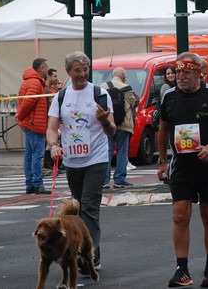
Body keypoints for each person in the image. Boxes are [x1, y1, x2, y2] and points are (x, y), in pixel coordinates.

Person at [156, 52, 208, 288]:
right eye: (178, 72)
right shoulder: (169, 97)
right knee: (180, 215)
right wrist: (162, 161)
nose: (181, 77)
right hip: (182, 166)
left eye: (186, 72)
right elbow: (163, 129)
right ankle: (182, 270)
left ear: (199, 72)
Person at [47, 51, 116, 271]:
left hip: (96, 159)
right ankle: (89, 250)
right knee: (76, 210)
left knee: (89, 207)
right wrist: (54, 145)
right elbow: (50, 128)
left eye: (85, 69)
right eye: (77, 70)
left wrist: (105, 121)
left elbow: (112, 130)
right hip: (73, 162)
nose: (82, 74)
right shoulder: (61, 96)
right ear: (68, 71)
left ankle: (89, 256)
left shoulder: (100, 94)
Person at [16, 58, 51, 195]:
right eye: (46, 67)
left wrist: (21, 116)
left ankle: (30, 183)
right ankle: (37, 183)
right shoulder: (36, 83)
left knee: (30, 155)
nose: (48, 69)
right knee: (37, 154)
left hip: (31, 123)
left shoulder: (30, 81)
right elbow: (28, 102)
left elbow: (26, 102)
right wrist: (21, 116)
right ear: (41, 68)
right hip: (34, 123)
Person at [101, 67, 139, 189]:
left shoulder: (102, 87)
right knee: (122, 151)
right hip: (124, 124)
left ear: (113, 75)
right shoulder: (127, 88)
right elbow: (134, 104)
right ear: (123, 76)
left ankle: (104, 180)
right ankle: (119, 179)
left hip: (107, 124)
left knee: (107, 151)